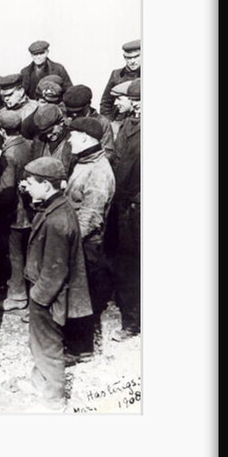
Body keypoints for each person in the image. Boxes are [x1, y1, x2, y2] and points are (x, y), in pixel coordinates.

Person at [14, 157, 91, 409]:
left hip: (49, 294)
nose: (26, 185)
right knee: (39, 339)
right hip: (46, 290)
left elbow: (56, 269)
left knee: (48, 343)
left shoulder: (57, 220)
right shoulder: (56, 206)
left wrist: (39, 296)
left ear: (46, 186)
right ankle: (40, 379)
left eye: (30, 182)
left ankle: (54, 396)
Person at [63, 117, 116, 363]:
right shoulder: (85, 162)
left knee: (81, 297)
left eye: (72, 135)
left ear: (84, 137)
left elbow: (91, 215)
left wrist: (70, 241)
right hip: (79, 240)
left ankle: (79, 349)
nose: (69, 140)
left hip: (86, 244)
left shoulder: (98, 170)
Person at [107, 78, 141, 341]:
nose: (116, 102)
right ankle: (131, 322)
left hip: (138, 205)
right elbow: (118, 160)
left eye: (121, 98)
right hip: (126, 206)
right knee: (128, 263)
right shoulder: (128, 125)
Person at [0, 110, 34, 312]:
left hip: (16, 213)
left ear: (1, 130)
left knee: (15, 254)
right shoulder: (29, 144)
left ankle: (17, 296)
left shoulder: (8, 154)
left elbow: (7, 190)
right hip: (31, 210)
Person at [62, 84, 115, 163]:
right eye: (71, 111)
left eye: (78, 111)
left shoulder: (102, 122)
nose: (74, 115)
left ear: (88, 104)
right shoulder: (64, 119)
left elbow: (109, 153)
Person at [99, 39, 141, 122]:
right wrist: (109, 123)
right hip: (120, 119)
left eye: (136, 57)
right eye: (129, 58)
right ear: (124, 57)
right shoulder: (116, 75)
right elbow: (106, 103)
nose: (132, 61)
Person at [31, 103, 73, 174]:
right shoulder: (38, 140)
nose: (48, 136)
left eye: (51, 131)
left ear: (61, 122)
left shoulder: (74, 140)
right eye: (45, 133)